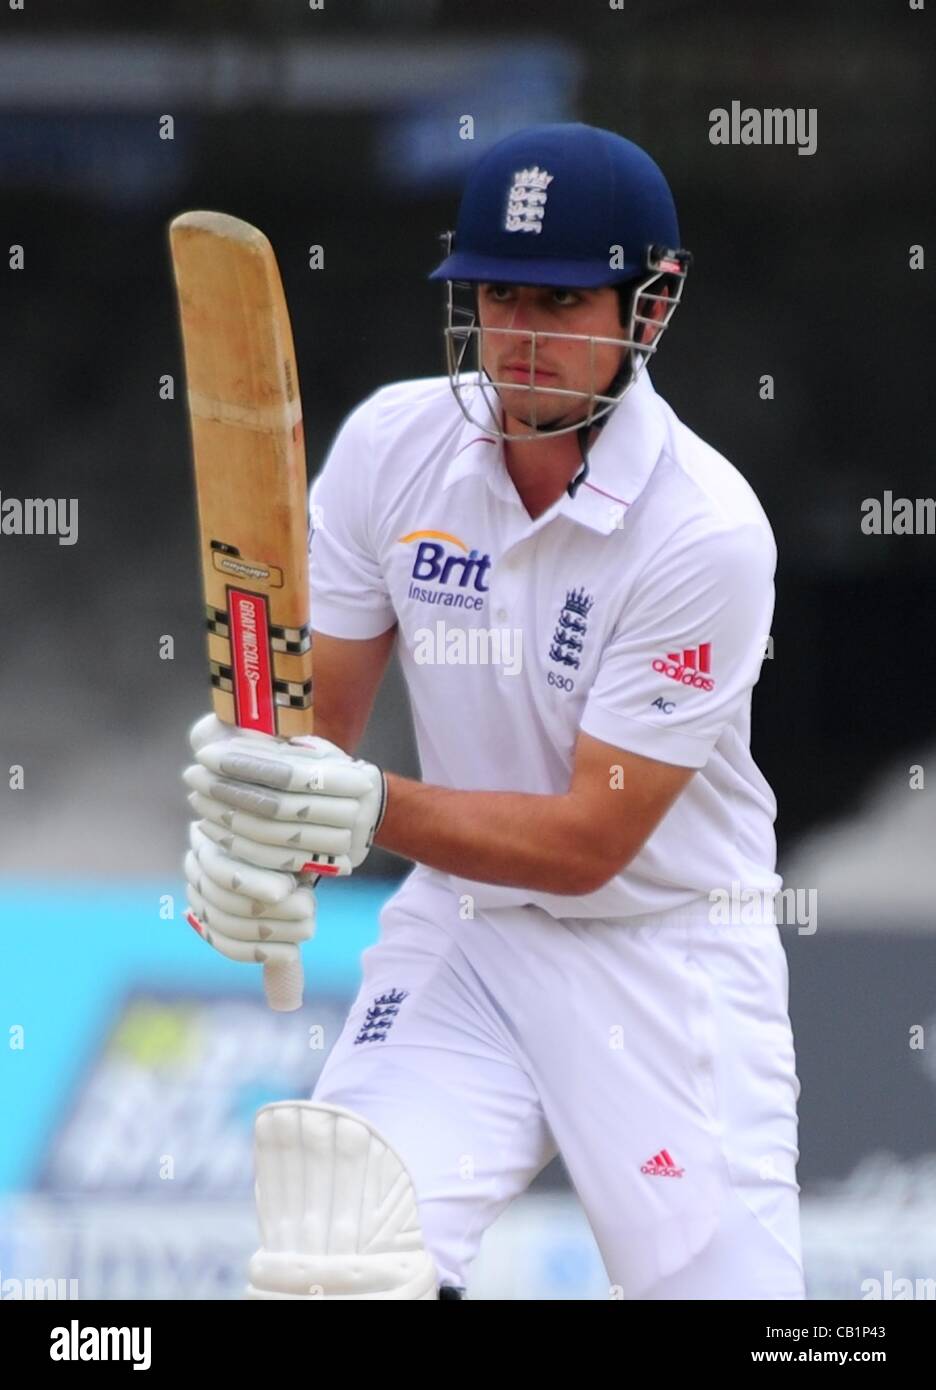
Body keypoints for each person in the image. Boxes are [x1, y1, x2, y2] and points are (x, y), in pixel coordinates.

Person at [183, 123, 805, 1301]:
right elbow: (319, 741)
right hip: (468, 933)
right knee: (336, 1252)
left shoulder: (706, 533)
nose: (519, 338)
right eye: (496, 296)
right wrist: (260, 824)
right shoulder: (391, 446)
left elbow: (589, 841)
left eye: (561, 303)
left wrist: (359, 805)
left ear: (650, 302)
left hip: (664, 954)